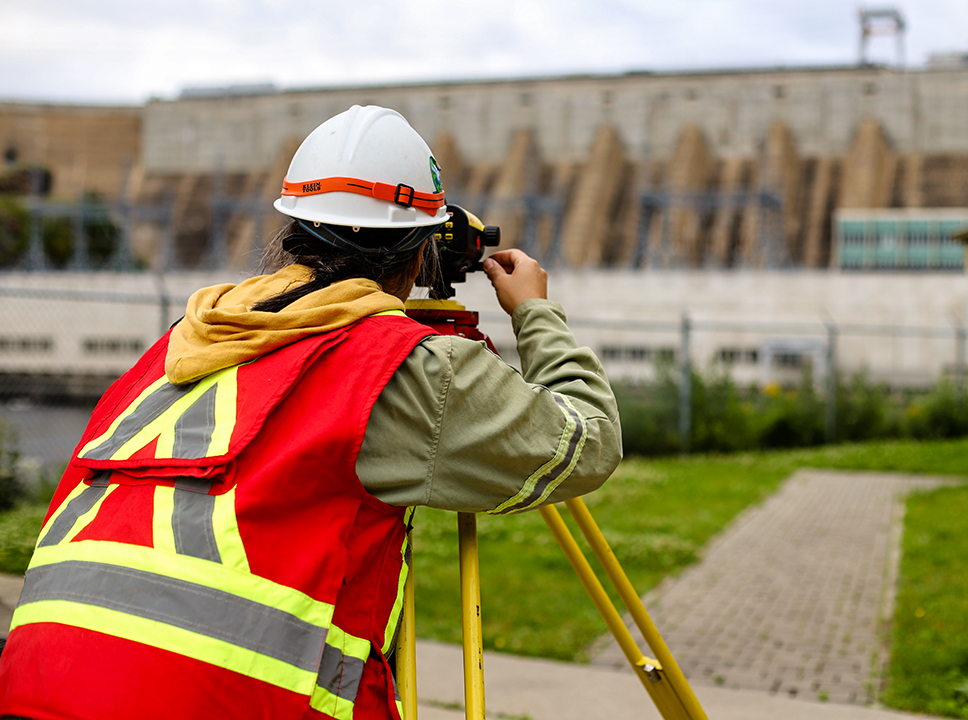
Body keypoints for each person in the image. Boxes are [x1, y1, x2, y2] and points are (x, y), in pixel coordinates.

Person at [0, 105, 621, 720]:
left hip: (33, 683)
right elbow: (588, 439)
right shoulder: (399, 367)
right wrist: (535, 313)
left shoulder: (185, 343)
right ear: (419, 251)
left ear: (292, 229)